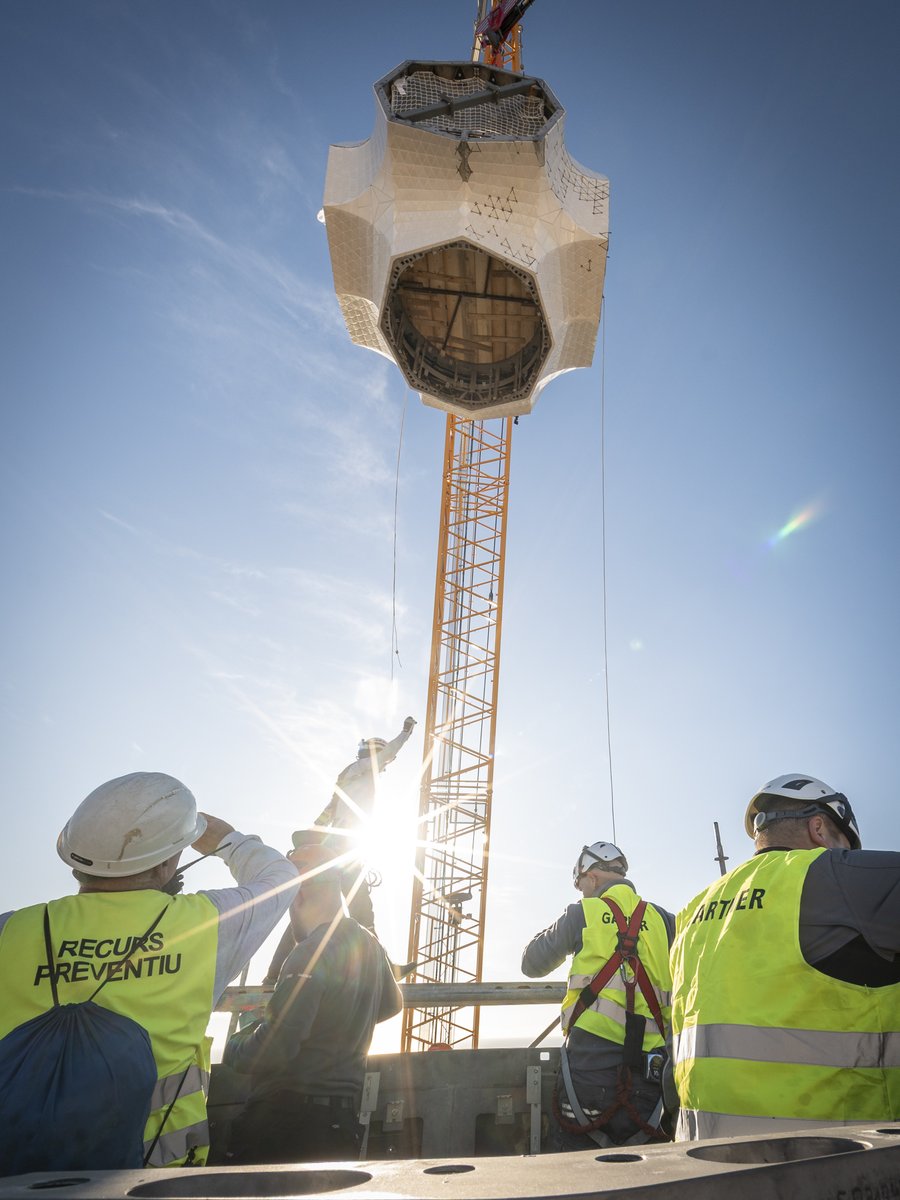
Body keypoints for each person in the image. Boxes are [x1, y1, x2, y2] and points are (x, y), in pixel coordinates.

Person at [0, 772, 300, 1169]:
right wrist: (228, 841)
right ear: (169, 862)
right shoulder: (206, 925)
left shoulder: (10, 929)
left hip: (16, 1170)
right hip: (155, 1174)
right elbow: (281, 879)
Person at [669, 774, 900, 1140]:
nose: (849, 859)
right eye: (846, 848)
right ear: (820, 828)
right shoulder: (834, 874)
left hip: (701, 1158)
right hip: (830, 1162)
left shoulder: (692, 911)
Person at [224, 841, 402, 1163]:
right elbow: (392, 1005)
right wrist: (332, 1024)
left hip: (287, 1121)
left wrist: (237, 1041)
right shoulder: (368, 944)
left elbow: (275, 1048)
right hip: (341, 1121)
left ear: (298, 893)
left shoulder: (309, 952)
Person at [522, 841, 675, 1150]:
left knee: (579, 1164)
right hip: (653, 1070)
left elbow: (531, 963)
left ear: (591, 877)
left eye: (581, 885)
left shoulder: (583, 913)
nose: (582, 892)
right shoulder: (665, 920)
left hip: (589, 1067)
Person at [263, 717, 416, 984]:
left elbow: (327, 813)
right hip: (345, 846)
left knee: (317, 909)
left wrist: (311, 844)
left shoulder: (350, 776)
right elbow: (388, 754)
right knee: (359, 910)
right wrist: (404, 734)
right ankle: (384, 969)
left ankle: (273, 975)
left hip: (340, 845)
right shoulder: (362, 768)